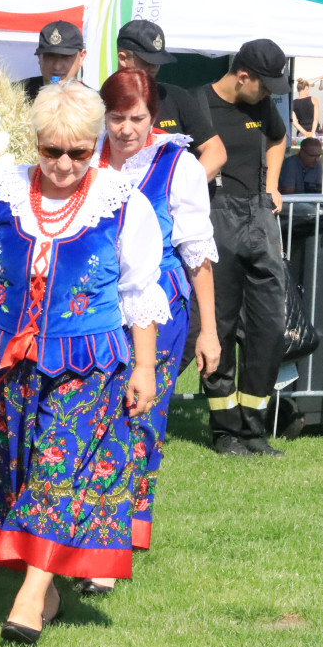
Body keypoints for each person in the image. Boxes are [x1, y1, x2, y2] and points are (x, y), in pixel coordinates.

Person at [0, 81, 169, 646]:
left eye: (79, 152)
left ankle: (30, 597)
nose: (64, 165)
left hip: (86, 365)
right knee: (14, 473)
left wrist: (143, 368)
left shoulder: (123, 204)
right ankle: (50, 588)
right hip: (5, 364)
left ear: (95, 145)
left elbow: (140, 293)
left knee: (57, 471)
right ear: (35, 143)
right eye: (52, 151)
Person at [77, 68, 219, 594]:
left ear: (153, 117)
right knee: (87, 418)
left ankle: (111, 546)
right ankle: (82, 528)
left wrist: (209, 331)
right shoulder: (84, 157)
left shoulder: (176, 166)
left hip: (158, 310)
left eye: (137, 119)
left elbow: (197, 253)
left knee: (137, 418)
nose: (126, 130)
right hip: (91, 306)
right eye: (116, 118)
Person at [183, 39, 289, 457]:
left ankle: (254, 427)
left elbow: (279, 141)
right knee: (220, 326)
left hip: (260, 220)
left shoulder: (261, 106)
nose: (267, 94)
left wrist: (271, 185)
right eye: (264, 85)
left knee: (270, 328)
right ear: (243, 75)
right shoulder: (196, 104)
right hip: (215, 222)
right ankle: (225, 430)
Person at [116, 19, 227, 182]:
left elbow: (216, 151)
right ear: (123, 58)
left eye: (158, 62)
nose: (154, 68)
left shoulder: (175, 96)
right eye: (147, 62)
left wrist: (183, 188)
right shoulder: (98, 102)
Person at [18, 20, 86, 102]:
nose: (57, 66)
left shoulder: (95, 103)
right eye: (50, 56)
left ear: (82, 56)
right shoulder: (14, 95)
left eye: (65, 57)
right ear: (39, 57)